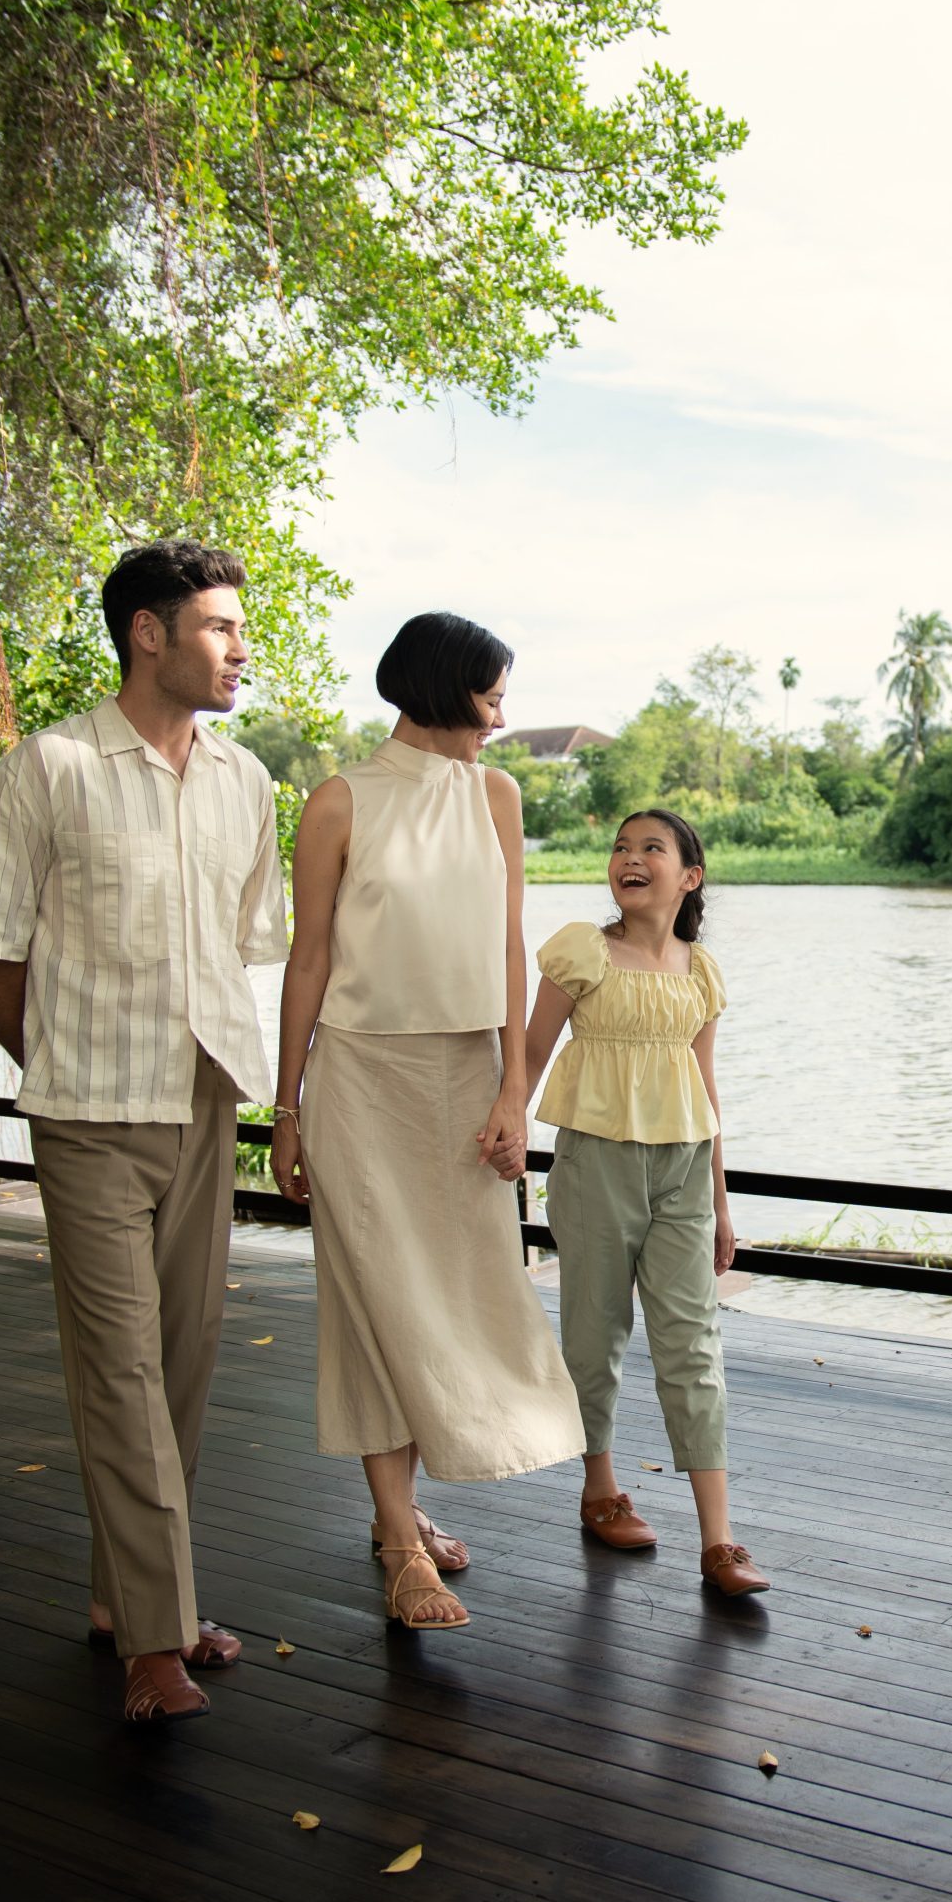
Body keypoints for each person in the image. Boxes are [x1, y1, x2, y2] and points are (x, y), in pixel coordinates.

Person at [0, 540, 285, 1724]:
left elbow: (247, 941)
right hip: (89, 1108)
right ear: (148, 634)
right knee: (124, 1372)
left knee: (184, 1360)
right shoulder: (46, 770)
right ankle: (155, 1638)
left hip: (204, 1095)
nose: (242, 647)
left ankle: (124, 1595)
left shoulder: (245, 782)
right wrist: (54, 1055)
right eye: (220, 627)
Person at [268, 612, 580, 1632]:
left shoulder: (497, 795)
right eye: (491, 696)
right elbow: (308, 960)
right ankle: (400, 1538)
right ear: (443, 692)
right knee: (372, 1303)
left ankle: (406, 1504)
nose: (501, 716)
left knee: (460, 1295)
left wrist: (511, 1092)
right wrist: (285, 1108)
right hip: (360, 1079)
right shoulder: (338, 802)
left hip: (466, 1081)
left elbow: (507, 945)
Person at [521, 808, 765, 1594]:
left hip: (685, 1170)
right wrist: (501, 1132)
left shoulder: (702, 971)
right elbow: (526, 1057)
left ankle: (719, 1541)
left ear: (689, 876)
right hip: (596, 1163)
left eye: (650, 849)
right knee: (595, 1336)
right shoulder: (581, 953)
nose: (629, 859)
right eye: (621, 848)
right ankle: (601, 1489)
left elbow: (707, 1088)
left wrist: (723, 1204)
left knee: (693, 1343)